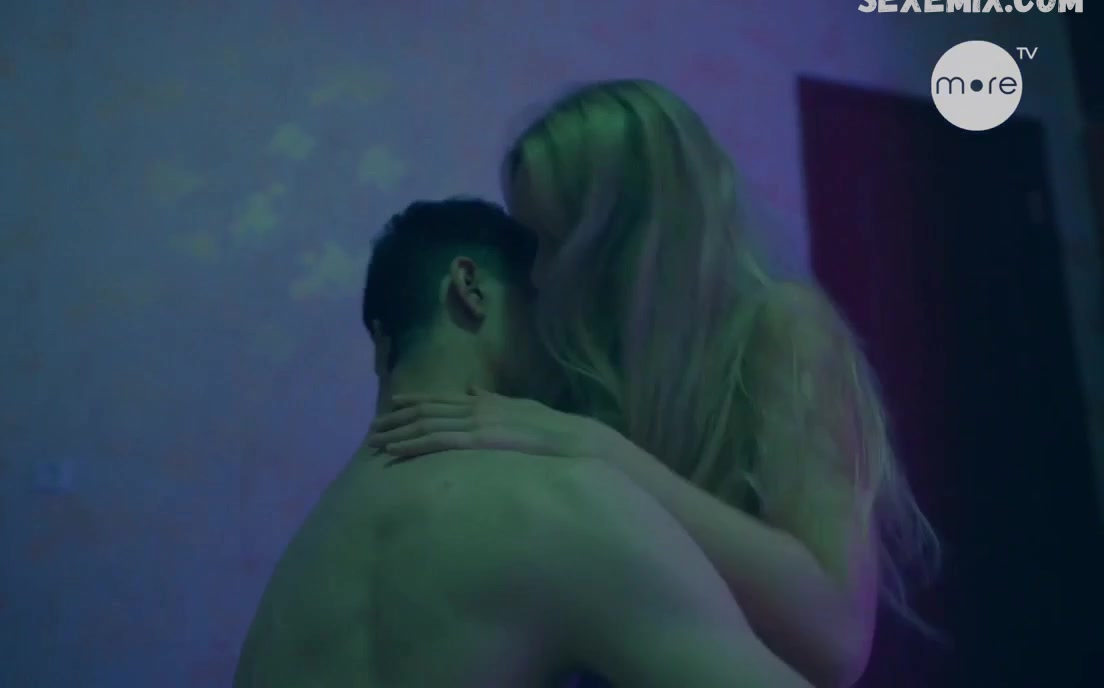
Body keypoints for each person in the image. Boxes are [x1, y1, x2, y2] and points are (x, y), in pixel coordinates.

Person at [368, 81, 939, 688]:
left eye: (549, 242)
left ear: (623, 239)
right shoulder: (574, 373)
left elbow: (836, 636)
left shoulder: (778, 332)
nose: (534, 276)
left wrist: (604, 454)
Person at [236, 197, 812, 687]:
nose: (566, 339)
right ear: (469, 287)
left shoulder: (294, 585)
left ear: (382, 341)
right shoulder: (560, 504)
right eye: (541, 299)